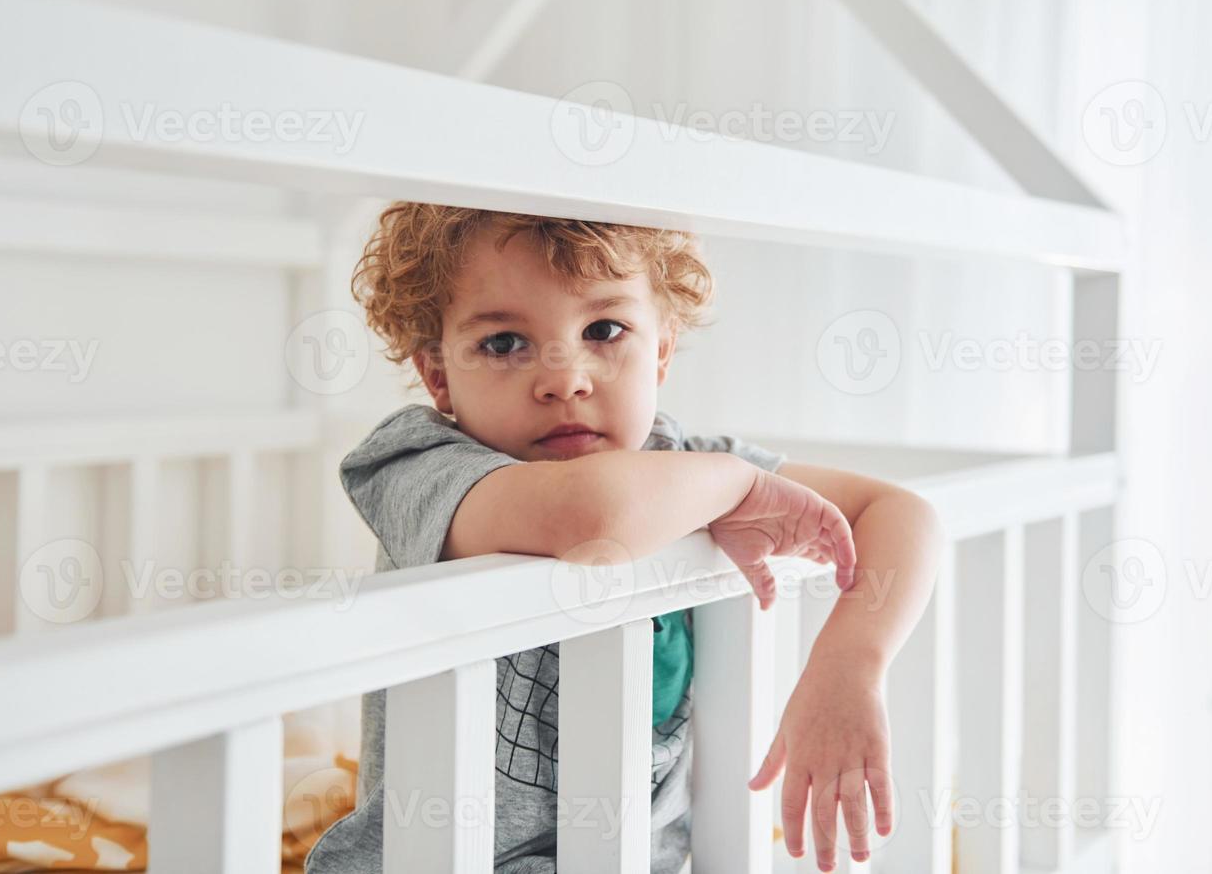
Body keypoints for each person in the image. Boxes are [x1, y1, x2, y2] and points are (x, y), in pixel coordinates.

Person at [304, 202, 944, 874]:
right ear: (438, 376)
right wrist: (736, 485)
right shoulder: (416, 463)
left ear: (661, 350)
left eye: (604, 329)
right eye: (502, 344)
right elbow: (589, 518)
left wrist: (848, 667)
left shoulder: (688, 464)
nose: (565, 380)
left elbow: (898, 511)